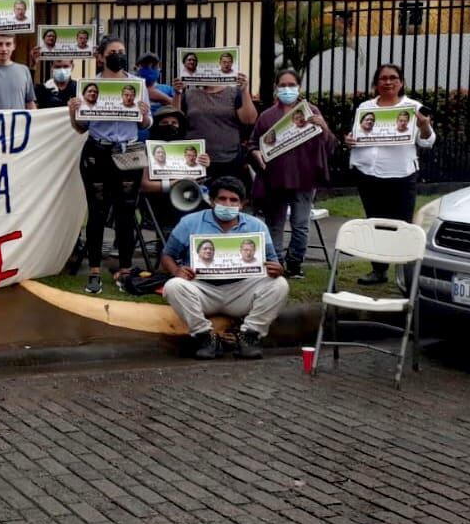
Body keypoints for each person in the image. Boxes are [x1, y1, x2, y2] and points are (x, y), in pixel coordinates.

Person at [160, 176, 288, 360]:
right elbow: (167, 255)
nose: (227, 204)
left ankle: (249, 337)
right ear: (211, 201)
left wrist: (278, 269)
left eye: (233, 200)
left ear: (242, 204)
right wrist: (176, 271)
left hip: (241, 290)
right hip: (203, 289)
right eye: (222, 199)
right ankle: (206, 338)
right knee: (174, 286)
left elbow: (273, 262)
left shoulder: (257, 226)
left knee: (280, 285)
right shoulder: (189, 222)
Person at [65, 37, 151, 294]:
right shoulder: (90, 87)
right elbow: (81, 127)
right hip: (97, 152)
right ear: (100, 56)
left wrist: (145, 114)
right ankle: (94, 271)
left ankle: (125, 269)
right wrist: (73, 111)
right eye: (113, 52)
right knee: (97, 212)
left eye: (122, 51)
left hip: (129, 153)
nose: (118, 55)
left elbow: (146, 124)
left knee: (126, 211)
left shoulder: (137, 85)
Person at [347, 64, 435, 285]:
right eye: (383, 78)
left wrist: (424, 126)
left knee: (402, 225)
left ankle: (404, 272)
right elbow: (357, 136)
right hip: (368, 173)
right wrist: (349, 140)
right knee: (376, 223)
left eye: (393, 78)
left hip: (402, 174)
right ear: (376, 83)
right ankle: (379, 270)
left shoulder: (414, 107)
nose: (388, 82)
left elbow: (427, 141)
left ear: (401, 82)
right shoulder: (365, 107)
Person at [250, 69, 337, 279]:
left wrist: (323, 126)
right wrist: (255, 153)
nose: (287, 89)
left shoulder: (311, 111)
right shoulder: (267, 116)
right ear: (276, 88)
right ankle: (276, 262)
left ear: (299, 87)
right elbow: (253, 143)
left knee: (300, 225)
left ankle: (295, 264)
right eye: (283, 85)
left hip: (305, 179)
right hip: (276, 179)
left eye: (291, 85)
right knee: (275, 224)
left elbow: (331, 145)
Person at [173, 64, 257, 190]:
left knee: (225, 199)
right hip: (195, 161)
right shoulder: (189, 95)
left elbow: (249, 119)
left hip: (229, 160)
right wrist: (178, 93)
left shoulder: (234, 93)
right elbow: (175, 120)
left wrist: (245, 91)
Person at [140, 106, 210, 235]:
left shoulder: (191, 148)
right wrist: (175, 183)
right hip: (160, 200)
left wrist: (203, 166)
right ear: (157, 125)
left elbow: (200, 181)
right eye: (164, 123)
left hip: (188, 196)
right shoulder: (147, 149)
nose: (169, 126)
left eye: (174, 123)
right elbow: (144, 186)